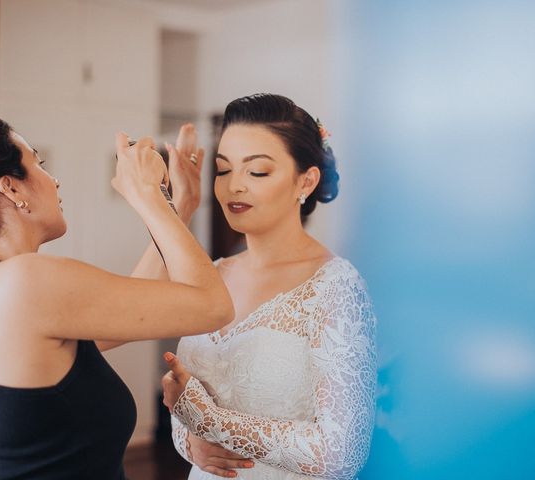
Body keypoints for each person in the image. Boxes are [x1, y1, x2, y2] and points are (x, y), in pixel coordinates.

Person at [0, 117, 234, 480]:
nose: (53, 179)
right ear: (11, 188)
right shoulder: (27, 281)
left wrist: (177, 205)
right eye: (39, 164)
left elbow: (131, 311)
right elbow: (213, 306)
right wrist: (148, 196)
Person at [160, 94, 377, 479]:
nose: (234, 187)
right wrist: (189, 439)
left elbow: (342, 453)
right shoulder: (210, 274)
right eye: (224, 171)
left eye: (257, 172)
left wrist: (212, 422)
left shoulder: (336, 286)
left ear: (306, 180)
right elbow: (187, 409)